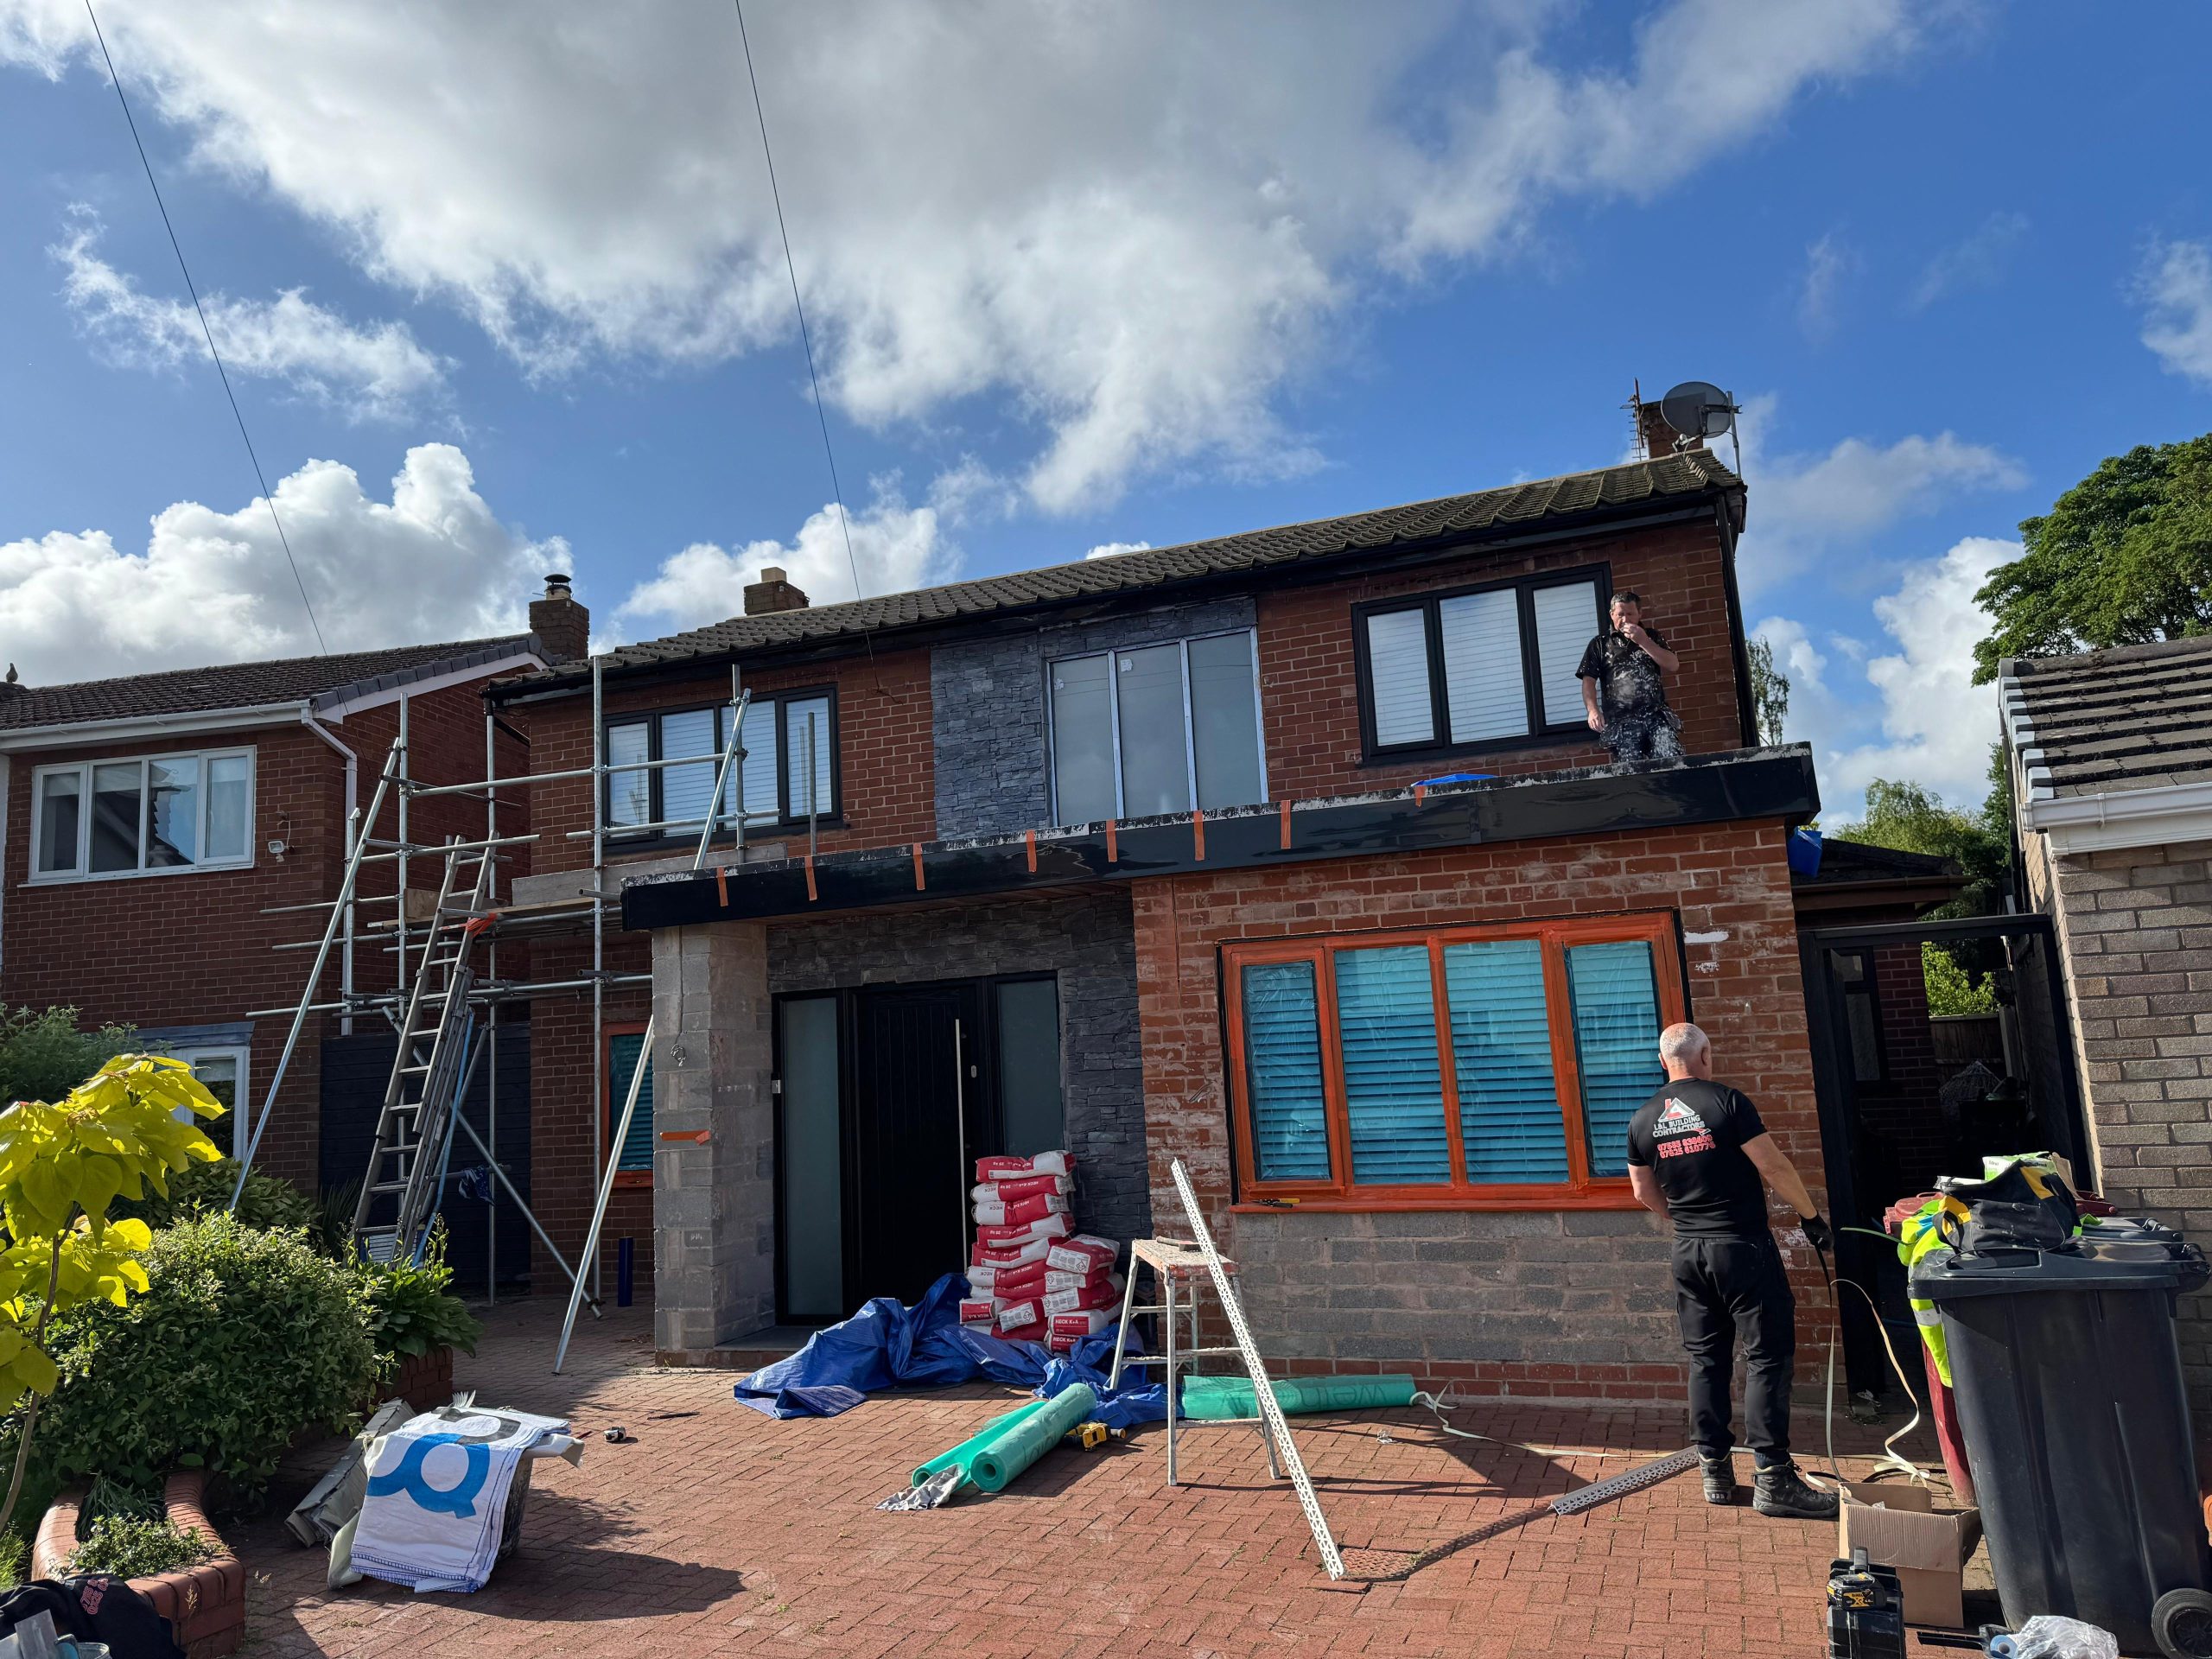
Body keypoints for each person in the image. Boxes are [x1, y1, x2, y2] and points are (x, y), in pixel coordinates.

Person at [1626, 1021, 1838, 1519]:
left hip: (1689, 1252)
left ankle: (1715, 1471)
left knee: (1706, 1358)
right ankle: (1774, 1478)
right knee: (1766, 1357)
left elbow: (1641, 1191)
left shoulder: (1642, 1118)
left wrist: (1686, 1221)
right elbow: (1774, 1166)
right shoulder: (1726, 1102)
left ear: (1663, 1062)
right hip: (1741, 1247)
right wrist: (1811, 1217)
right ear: (1705, 1055)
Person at [1577, 590, 1682, 761]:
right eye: (1620, 614)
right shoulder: (1600, 644)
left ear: (1640, 614)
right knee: (1631, 770)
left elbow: (1673, 664)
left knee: (1670, 760)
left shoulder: (1652, 637)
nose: (1625, 619)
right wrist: (1593, 710)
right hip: (1621, 722)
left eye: (1630, 614)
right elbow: (1588, 680)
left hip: (1655, 716)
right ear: (1612, 615)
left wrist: (1644, 641)